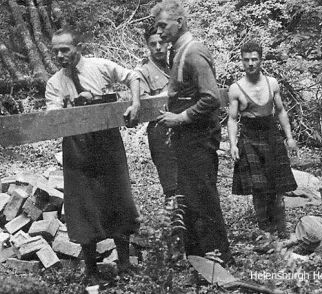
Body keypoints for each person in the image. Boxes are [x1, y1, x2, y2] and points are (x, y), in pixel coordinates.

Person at [45, 26, 141, 282]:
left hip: (107, 141)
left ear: (78, 47)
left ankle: (124, 263)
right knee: (83, 205)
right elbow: (52, 118)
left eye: (65, 49)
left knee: (118, 196)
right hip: (77, 147)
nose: (60, 55)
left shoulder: (99, 66)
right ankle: (91, 271)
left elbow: (133, 76)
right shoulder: (54, 83)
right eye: (56, 51)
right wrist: (74, 106)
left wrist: (135, 102)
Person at [153, 0, 232, 264]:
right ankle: (199, 258)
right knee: (190, 195)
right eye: (157, 26)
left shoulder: (193, 51)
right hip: (187, 139)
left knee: (204, 196)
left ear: (181, 22)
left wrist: (180, 117)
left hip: (199, 137)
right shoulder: (177, 52)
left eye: (163, 25)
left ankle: (220, 256)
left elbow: (211, 98)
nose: (160, 32)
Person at [227, 41, 297, 237]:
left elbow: (281, 111)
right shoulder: (235, 88)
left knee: (278, 185)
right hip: (249, 136)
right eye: (246, 59)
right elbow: (232, 119)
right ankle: (265, 229)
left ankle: (282, 228)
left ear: (261, 60)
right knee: (258, 187)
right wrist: (233, 144)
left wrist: (289, 137)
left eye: (254, 59)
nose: (250, 63)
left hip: (271, 134)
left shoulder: (272, 83)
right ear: (241, 61)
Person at [133, 26, 178, 200]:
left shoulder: (173, 65)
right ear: (147, 46)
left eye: (162, 42)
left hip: (181, 125)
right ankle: (175, 223)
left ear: (168, 43)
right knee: (171, 184)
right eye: (153, 44)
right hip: (161, 131)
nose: (158, 47)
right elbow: (144, 105)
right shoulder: (142, 71)